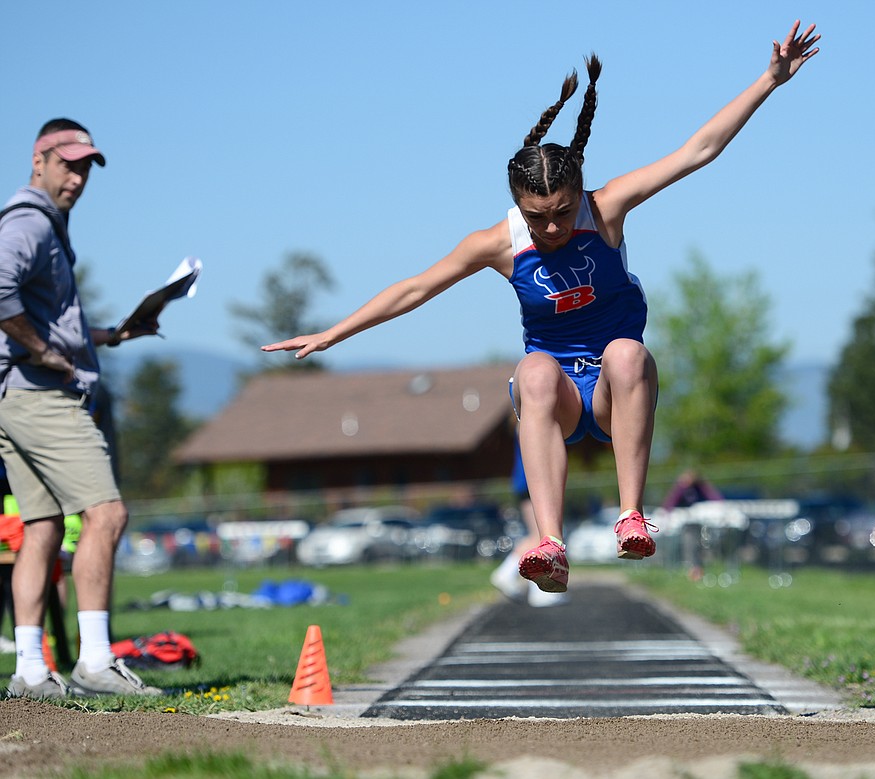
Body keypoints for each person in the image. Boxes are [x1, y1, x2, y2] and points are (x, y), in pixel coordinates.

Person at [264, 21, 821, 595]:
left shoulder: (605, 209)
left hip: (613, 392)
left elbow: (696, 151)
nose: (552, 227)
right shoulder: (499, 243)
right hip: (555, 397)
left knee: (627, 353)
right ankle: (548, 545)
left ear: (578, 191)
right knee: (530, 368)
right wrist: (333, 334)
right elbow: (414, 289)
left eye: (561, 210)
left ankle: (631, 515)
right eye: (537, 217)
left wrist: (769, 81)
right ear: (517, 207)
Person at [0, 119, 162, 698]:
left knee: (41, 528)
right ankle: (95, 661)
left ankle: (29, 669)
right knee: (107, 515)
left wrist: (111, 336)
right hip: (40, 394)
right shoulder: (29, 222)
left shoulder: (45, 226)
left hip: (12, 395)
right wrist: (46, 352)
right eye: (67, 163)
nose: (77, 177)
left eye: (86, 167)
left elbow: (41, 317)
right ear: (38, 159)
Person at [490, 434, 569, 607]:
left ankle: (517, 578)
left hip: (527, 482)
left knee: (539, 536)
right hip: (532, 482)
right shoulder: (530, 417)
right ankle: (513, 577)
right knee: (541, 537)